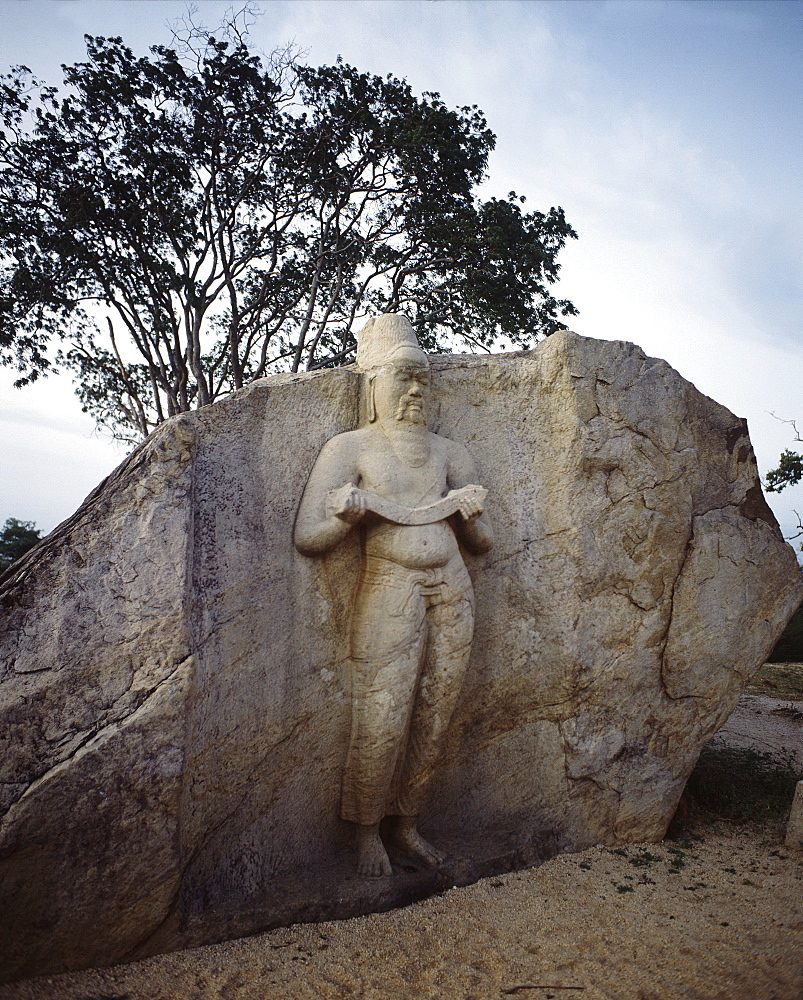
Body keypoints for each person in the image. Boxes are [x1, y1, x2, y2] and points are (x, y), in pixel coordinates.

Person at [294, 314, 493, 877]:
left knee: (436, 711)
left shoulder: (450, 452)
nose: (413, 391)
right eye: (402, 378)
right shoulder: (350, 447)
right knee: (382, 711)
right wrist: (345, 515)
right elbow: (309, 537)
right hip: (389, 585)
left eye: (423, 381)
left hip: (451, 585)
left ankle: (407, 824)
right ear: (372, 386)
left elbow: (483, 543)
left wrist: (471, 515)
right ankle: (364, 832)